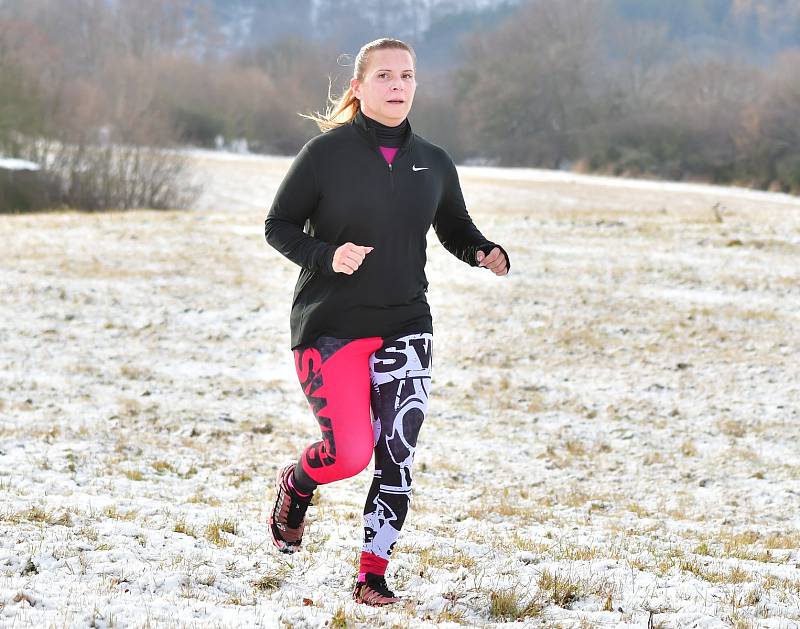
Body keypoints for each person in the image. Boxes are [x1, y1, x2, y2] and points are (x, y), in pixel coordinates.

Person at [263, 37, 509, 607]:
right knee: (350, 454)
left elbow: (454, 228)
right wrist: (327, 256)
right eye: (384, 77)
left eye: (407, 76)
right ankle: (297, 484)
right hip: (333, 325)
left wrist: (483, 252)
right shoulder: (325, 155)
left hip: (407, 323)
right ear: (359, 87)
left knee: (397, 452)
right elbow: (279, 225)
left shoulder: (434, 162)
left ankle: (372, 575)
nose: (397, 86)